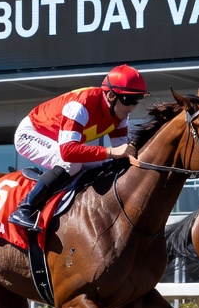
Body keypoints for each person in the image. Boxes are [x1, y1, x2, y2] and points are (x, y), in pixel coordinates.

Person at [8, 64, 146, 230]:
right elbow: (68, 152)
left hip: (60, 141)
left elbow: (122, 153)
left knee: (102, 165)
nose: (132, 106)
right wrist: (110, 152)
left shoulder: (121, 113)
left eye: (137, 100)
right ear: (111, 95)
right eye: (129, 100)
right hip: (31, 134)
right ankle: (24, 208)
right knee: (72, 164)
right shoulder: (80, 106)